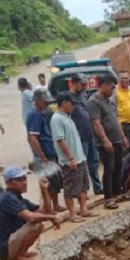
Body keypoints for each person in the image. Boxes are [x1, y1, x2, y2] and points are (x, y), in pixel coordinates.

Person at [0, 166, 59, 260]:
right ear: (8, 183)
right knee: (36, 225)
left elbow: (45, 211)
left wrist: (44, 190)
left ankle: (20, 253)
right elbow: (31, 217)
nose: (24, 182)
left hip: (8, 244)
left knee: (37, 223)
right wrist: (50, 217)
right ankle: (17, 259)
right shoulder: (8, 198)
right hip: (3, 248)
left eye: (24, 179)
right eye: (19, 180)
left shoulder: (19, 199)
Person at [51, 92, 97, 223]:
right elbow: (60, 141)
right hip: (70, 160)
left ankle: (83, 209)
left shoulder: (67, 117)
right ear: (64, 102)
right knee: (70, 188)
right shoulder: (57, 119)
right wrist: (70, 158)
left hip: (80, 157)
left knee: (83, 185)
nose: (73, 107)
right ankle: (72, 214)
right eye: (72, 104)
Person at [88, 74, 128, 209]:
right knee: (109, 168)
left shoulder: (109, 101)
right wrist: (105, 140)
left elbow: (116, 120)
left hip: (116, 140)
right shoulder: (94, 101)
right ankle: (109, 198)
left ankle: (117, 193)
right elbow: (96, 123)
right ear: (104, 85)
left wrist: (123, 137)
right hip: (106, 142)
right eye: (111, 87)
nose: (113, 90)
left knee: (118, 167)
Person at [27, 88, 65, 212]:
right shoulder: (34, 115)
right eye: (45, 102)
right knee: (48, 182)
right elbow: (33, 137)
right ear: (37, 101)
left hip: (49, 151)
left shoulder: (40, 114)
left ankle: (55, 204)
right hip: (44, 154)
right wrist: (42, 156)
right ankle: (48, 207)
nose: (47, 104)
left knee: (55, 180)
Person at [68, 73, 102, 195]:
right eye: (82, 85)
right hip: (79, 137)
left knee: (94, 162)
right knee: (81, 165)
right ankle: (82, 192)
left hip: (89, 135)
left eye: (85, 85)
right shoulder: (68, 98)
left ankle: (97, 187)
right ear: (74, 83)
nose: (84, 87)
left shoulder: (82, 96)